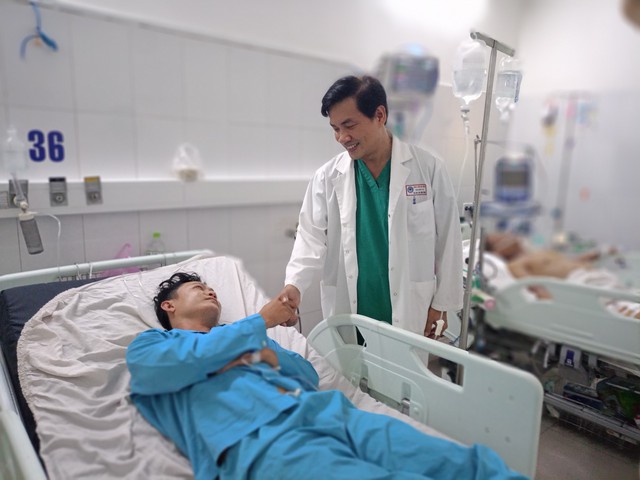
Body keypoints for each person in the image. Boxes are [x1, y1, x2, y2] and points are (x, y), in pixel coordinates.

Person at [126, 272, 525, 480]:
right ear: (169, 307)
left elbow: (307, 376)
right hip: (261, 442)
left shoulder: (246, 337)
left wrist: (266, 354)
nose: (211, 291)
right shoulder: (151, 346)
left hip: (331, 415)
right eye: (198, 288)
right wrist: (259, 323)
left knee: (458, 462)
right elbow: (178, 363)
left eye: (211, 286)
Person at [279, 75, 462, 339]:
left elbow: (449, 239)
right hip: (351, 307)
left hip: (409, 306)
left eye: (349, 125)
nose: (342, 137)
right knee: (350, 364)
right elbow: (310, 237)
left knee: (404, 365)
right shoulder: (327, 177)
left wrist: (442, 304)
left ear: (379, 115)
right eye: (335, 128)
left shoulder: (428, 169)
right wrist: (294, 284)